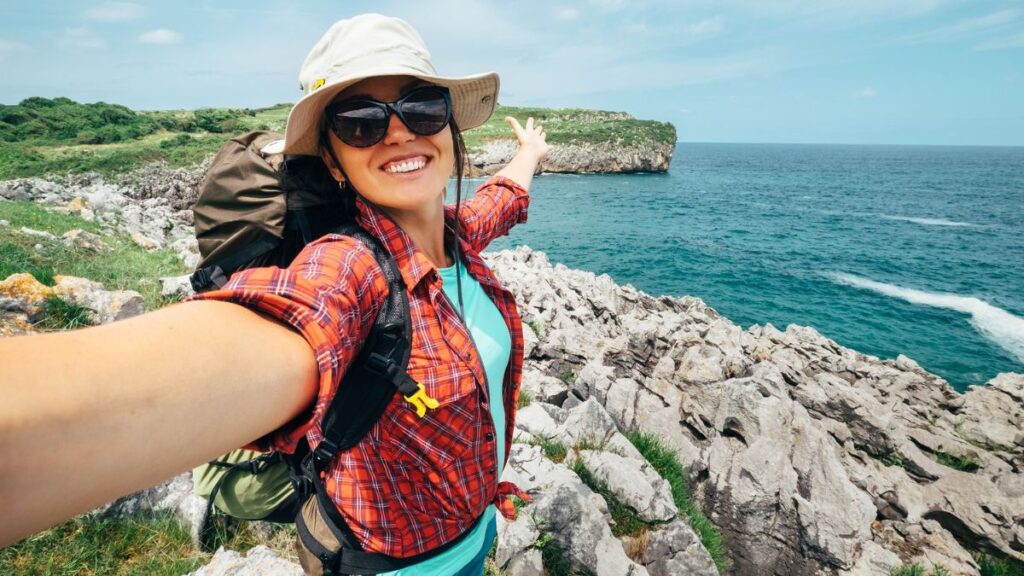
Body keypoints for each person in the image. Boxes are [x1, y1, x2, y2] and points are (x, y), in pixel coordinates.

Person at [0, 13, 549, 575]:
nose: (399, 131)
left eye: (422, 106)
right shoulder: (348, 270)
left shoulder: (455, 236)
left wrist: (529, 153)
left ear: (449, 126)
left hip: (477, 533)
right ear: (333, 160)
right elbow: (274, 335)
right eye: (360, 121)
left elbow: (497, 202)